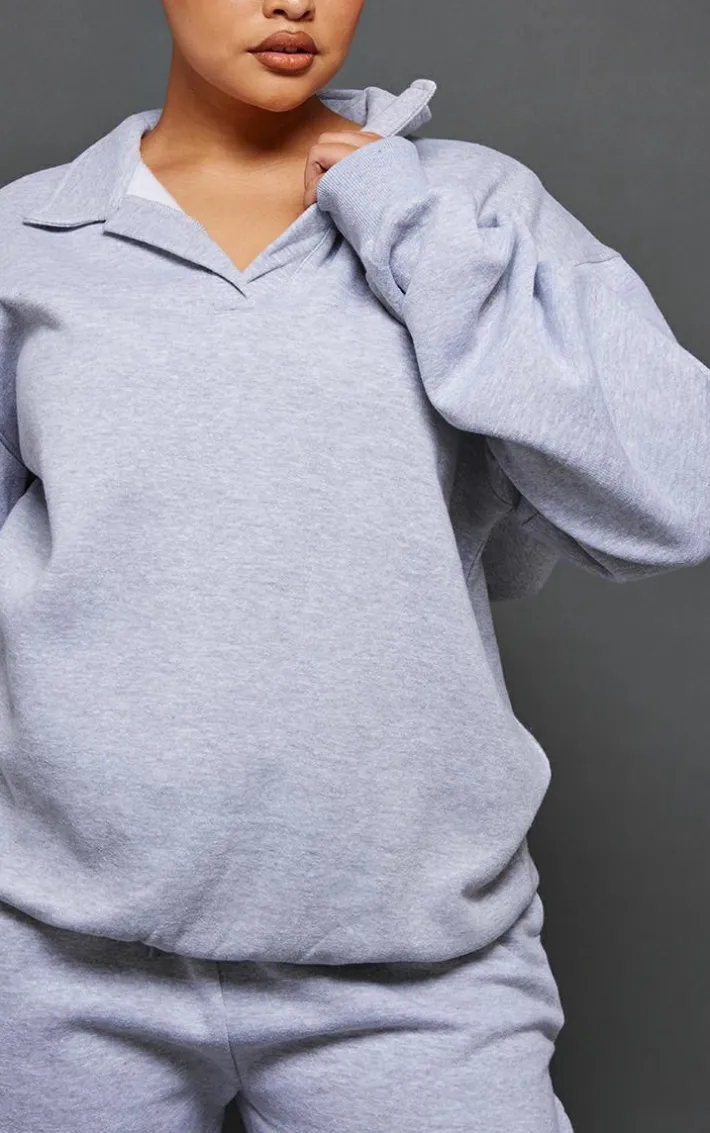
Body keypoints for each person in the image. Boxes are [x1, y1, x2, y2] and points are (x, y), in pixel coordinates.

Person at [0, 1, 708, 1131]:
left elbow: (674, 498)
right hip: (55, 964)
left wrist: (405, 222)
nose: (294, 2)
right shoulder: (29, 235)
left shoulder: (468, 203)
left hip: (419, 971)